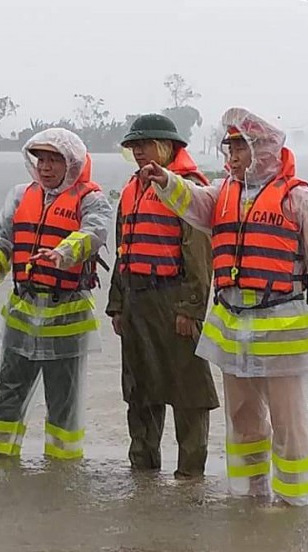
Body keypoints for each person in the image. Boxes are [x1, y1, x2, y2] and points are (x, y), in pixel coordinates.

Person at [139, 107, 308, 504]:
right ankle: (249, 498)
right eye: (228, 146)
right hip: (233, 328)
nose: (230, 156)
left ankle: (292, 505)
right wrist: (165, 180)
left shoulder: (300, 199)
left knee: (289, 425)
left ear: (263, 149)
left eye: (239, 147)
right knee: (242, 420)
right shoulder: (223, 192)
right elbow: (195, 203)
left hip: (281, 329)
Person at [0, 128, 112, 460]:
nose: (45, 167)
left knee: (64, 399)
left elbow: (94, 232)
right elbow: (1, 240)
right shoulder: (20, 195)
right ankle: (1, 464)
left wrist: (62, 252)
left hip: (68, 314)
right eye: (40, 159)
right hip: (23, 310)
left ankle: (62, 470)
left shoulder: (91, 199)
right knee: (8, 392)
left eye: (54, 160)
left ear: (71, 162)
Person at [106, 114, 218, 479]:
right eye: (133, 146)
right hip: (137, 301)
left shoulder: (189, 189)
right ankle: (143, 473)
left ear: (168, 147)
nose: (138, 151)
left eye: (146, 144)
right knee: (139, 391)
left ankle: (190, 476)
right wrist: (117, 304)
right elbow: (124, 250)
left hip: (173, 300)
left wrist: (190, 309)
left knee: (188, 392)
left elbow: (199, 256)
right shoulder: (131, 190)